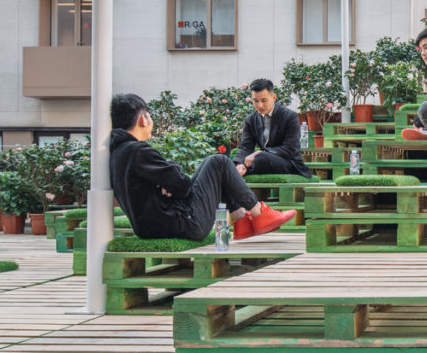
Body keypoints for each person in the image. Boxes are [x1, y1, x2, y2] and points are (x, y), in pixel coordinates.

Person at [107, 92, 296, 240]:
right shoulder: (138, 151)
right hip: (183, 224)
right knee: (218, 161)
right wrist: (169, 179)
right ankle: (258, 213)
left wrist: (164, 183)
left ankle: (241, 221)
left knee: (212, 164)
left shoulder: (119, 153)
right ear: (143, 120)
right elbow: (182, 186)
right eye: (149, 116)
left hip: (154, 225)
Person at [234, 78, 313, 178]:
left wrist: (261, 152)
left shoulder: (290, 117)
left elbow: (290, 148)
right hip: (263, 160)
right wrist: (239, 163)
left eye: (264, 100)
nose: (260, 105)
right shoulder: (251, 119)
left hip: (288, 162)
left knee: (261, 158)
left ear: (274, 97)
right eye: (255, 101)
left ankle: (246, 169)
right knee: (232, 162)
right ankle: (243, 169)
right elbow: (245, 146)